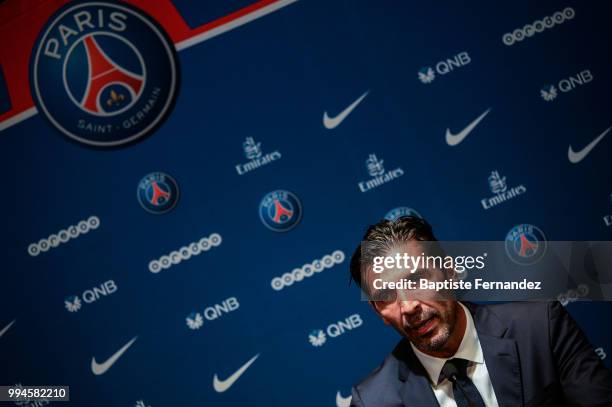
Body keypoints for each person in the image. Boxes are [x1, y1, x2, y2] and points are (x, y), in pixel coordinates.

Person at [349, 216, 612, 407]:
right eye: (386, 296)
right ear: (377, 311)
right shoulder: (373, 401)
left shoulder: (541, 328)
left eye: (416, 280)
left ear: (449, 272)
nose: (408, 306)